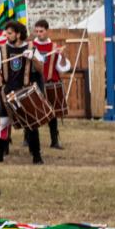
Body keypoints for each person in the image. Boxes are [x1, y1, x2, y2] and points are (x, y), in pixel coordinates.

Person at [0, 20, 41, 164]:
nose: (7, 36)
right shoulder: (3, 49)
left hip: (24, 91)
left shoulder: (31, 47)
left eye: (10, 33)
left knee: (31, 124)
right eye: (6, 33)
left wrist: (33, 58)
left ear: (18, 34)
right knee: (4, 123)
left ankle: (36, 156)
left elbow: (41, 69)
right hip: (7, 91)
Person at [29, 19, 71, 151]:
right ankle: (28, 139)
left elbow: (62, 68)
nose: (38, 34)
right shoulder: (30, 46)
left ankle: (54, 141)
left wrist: (63, 56)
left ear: (47, 31)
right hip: (34, 84)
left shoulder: (54, 48)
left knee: (52, 114)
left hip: (50, 83)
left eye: (41, 31)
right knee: (31, 112)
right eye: (36, 31)